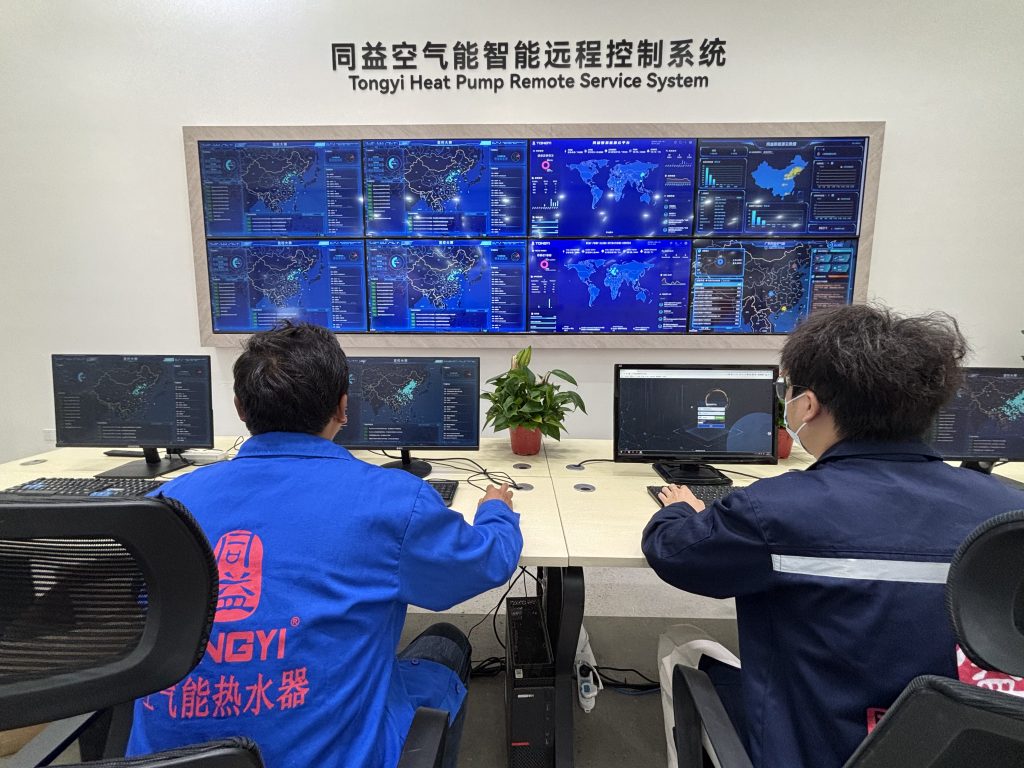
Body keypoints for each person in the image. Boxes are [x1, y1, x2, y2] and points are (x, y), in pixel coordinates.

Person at [642, 304, 1024, 768]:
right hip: (969, 747)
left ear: (808, 404)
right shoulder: (1011, 513)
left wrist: (679, 509)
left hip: (816, 751)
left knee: (679, 643)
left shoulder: (775, 509)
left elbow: (676, 553)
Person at [127, 322, 523, 768]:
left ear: (239, 408)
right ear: (343, 407)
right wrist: (496, 510)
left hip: (166, 761)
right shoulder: (391, 501)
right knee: (446, 642)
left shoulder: (161, 507)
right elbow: (487, 560)